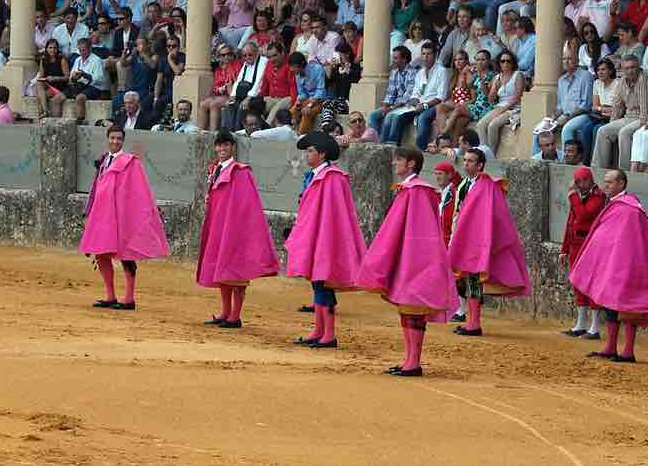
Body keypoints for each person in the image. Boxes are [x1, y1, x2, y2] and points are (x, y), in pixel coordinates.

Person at [356, 148, 459, 377]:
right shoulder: (411, 189)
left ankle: (413, 362)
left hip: (416, 257)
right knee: (406, 309)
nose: (395, 164)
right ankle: (409, 360)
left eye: (399, 160)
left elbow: (420, 231)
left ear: (411, 164)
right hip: (408, 255)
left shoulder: (417, 190)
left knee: (413, 309)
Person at [570, 170, 648, 362]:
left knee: (629, 308)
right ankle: (610, 347)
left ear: (622, 183)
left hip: (629, 265)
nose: (605, 185)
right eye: (605, 182)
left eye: (610, 182)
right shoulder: (617, 205)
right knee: (610, 304)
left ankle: (628, 351)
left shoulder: (631, 208)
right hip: (613, 263)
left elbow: (633, 240)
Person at [285, 131, 366, 349]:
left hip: (326, 238)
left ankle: (328, 334)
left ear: (322, 154)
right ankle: (319, 330)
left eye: (310, 151)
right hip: (315, 235)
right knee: (317, 283)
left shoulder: (333, 177)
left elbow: (334, 215)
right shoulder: (316, 176)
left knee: (324, 284)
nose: (306, 155)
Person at [78, 125, 170, 311]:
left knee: (126, 254)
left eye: (119, 138)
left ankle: (129, 298)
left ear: (123, 141)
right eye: (112, 138)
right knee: (101, 252)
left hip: (122, 215)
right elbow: (95, 188)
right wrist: (88, 212)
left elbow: (138, 191)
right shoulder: (104, 160)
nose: (115, 141)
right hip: (103, 214)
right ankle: (110, 296)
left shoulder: (130, 162)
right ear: (107, 138)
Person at [197, 130, 280, 329]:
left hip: (235, 227)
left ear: (232, 147)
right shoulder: (215, 169)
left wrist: (239, 227)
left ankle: (235, 316)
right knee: (222, 268)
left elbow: (247, 204)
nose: (222, 149)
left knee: (236, 271)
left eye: (226, 145)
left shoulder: (240, 171)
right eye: (219, 145)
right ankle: (225, 312)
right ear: (215, 147)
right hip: (218, 224)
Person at [448, 148, 531, 336]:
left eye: (470, 161)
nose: (466, 163)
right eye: (465, 160)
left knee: (474, 280)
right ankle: (471, 320)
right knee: (466, 279)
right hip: (463, 236)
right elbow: (459, 213)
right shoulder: (464, 185)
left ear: (480, 165)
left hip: (478, 239)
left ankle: (474, 323)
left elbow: (495, 215)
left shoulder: (488, 186)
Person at [559, 166, 606, 339]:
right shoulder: (579, 197)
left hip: (590, 244)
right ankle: (580, 324)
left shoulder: (598, 196)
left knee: (591, 285)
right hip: (575, 244)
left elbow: (584, 215)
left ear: (590, 179)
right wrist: (564, 249)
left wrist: (572, 195)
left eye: (583, 181)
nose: (581, 184)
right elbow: (571, 223)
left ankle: (594, 327)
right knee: (578, 284)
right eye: (578, 181)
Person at [380, 42, 449, 150]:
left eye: (429, 54)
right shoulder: (420, 72)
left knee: (422, 118)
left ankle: (420, 149)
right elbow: (416, 93)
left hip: (433, 105)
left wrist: (425, 105)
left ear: (435, 55)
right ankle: (387, 147)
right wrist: (414, 101)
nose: (425, 57)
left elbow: (441, 96)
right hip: (418, 104)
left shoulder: (442, 71)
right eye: (423, 54)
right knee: (396, 116)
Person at [591, 55, 648, 170]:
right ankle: (598, 169)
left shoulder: (643, 80)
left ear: (638, 67)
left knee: (624, 133)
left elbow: (646, 112)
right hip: (627, 117)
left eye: (632, 67)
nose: (630, 71)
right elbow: (617, 106)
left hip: (642, 118)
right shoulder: (622, 81)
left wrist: (643, 125)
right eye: (627, 68)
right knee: (603, 131)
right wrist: (612, 124)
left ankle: (623, 171)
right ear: (623, 69)